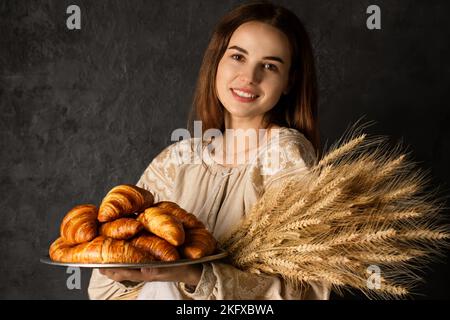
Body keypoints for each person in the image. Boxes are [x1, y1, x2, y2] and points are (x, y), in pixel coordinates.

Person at [88, 1, 330, 300]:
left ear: (289, 81)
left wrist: (194, 277)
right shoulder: (177, 160)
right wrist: (129, 274)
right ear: (217, 61)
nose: (249, 76)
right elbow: (101, 290)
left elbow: (309, 291)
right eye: (238, 57)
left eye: (269, 66)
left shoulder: (286, 156)